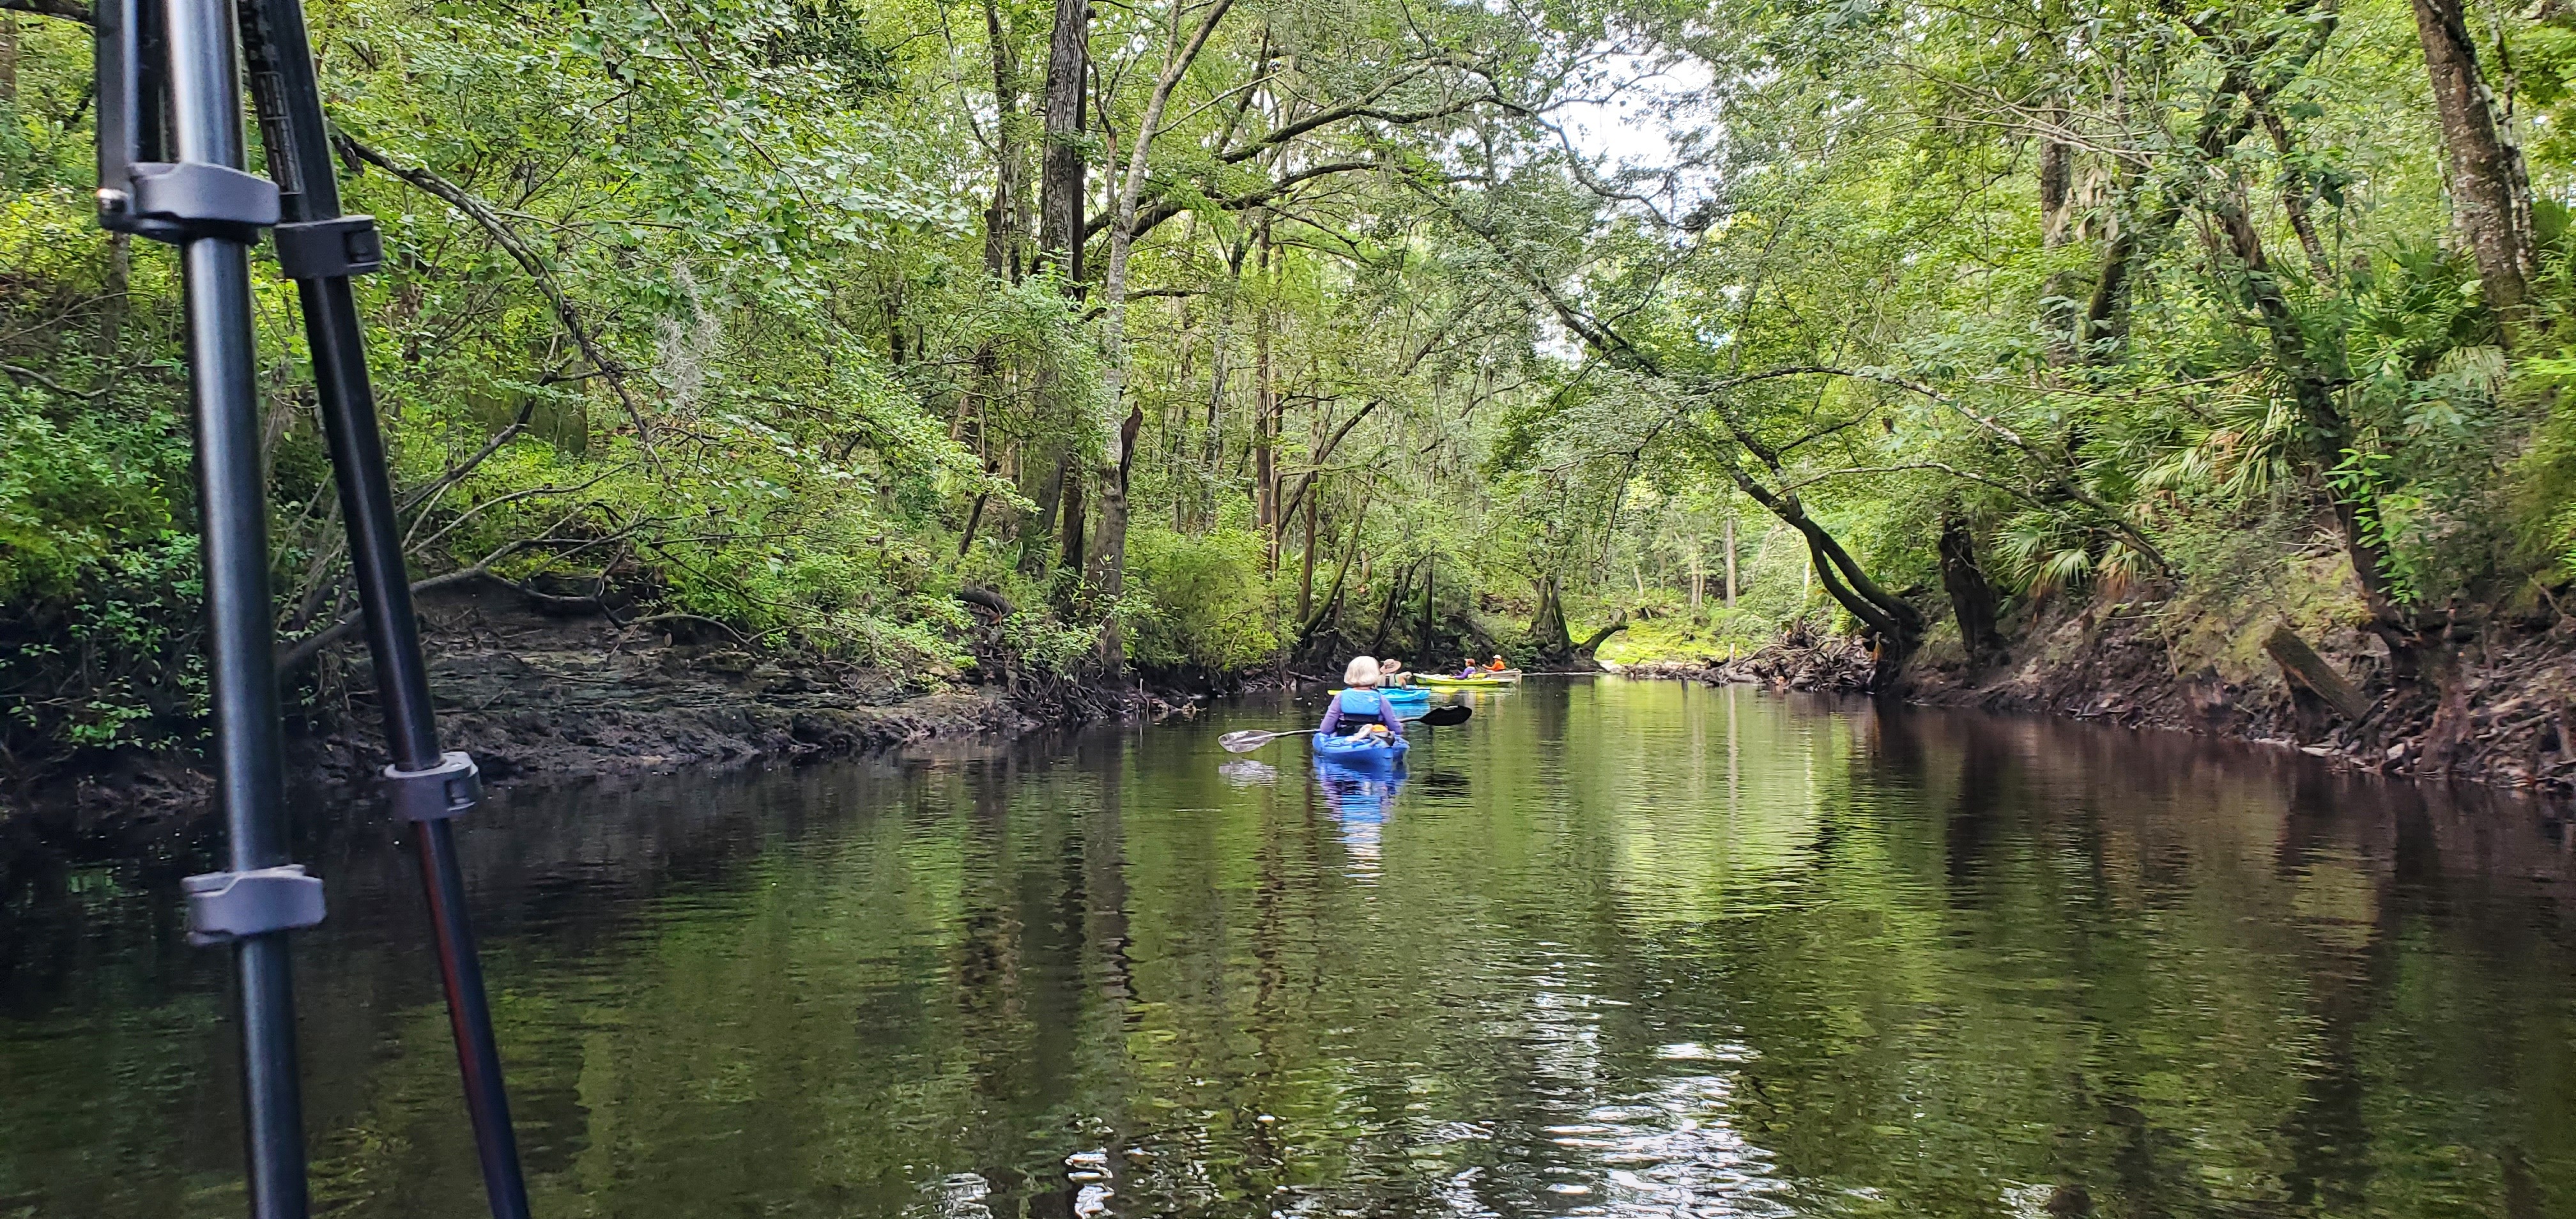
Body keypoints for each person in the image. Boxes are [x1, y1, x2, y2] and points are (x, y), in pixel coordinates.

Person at [1320, 656, 1407, 739]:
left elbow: (1325, 729)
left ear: (1350, 674)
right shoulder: (1380, 699)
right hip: (1374, 739)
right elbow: (1396, 729)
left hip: (1345, 739)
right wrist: (1400, 727)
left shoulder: (1340, 697)